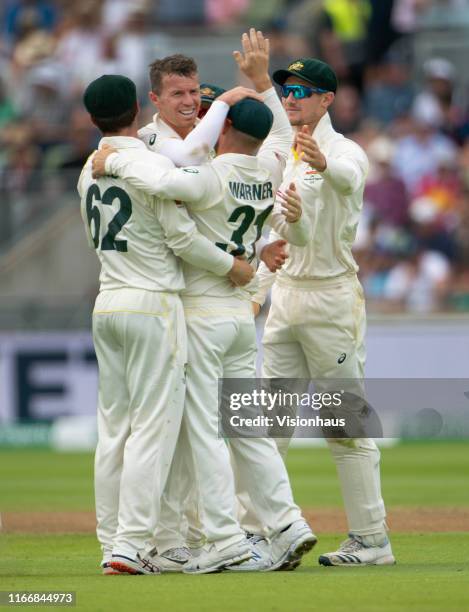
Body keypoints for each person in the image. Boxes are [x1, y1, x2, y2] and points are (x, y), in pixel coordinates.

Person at [92, 29, 317, 574]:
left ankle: (220, 538)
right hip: (227, 314)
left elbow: (180, 220)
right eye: (183, 96)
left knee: (202, 434)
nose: (195, 105)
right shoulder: (263, 167)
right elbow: (278, 136)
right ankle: (284, 523)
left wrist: (112, 160)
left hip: (198, 310)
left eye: (202, 98)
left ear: (227, 129)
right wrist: (259, 88)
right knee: (239, 426)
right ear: (155, 100)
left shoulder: (197, 171)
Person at [78, 74, 254, 576]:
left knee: (114, 430)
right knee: (154, 429)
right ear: (139, 107)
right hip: (154, 302)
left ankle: (110, 539)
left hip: (108, 298)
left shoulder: (90, 168)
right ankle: (131, 546)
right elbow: (181, 235)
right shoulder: (149, 163)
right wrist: (233, 267)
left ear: (93, 118)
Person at [251, 57, 396, 566]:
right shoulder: (287, 151)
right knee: (270, 422)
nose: (291, 98)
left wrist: (323, 163)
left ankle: (372, 540)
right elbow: (280, 234)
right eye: (286, 89)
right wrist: (259, 286)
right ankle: (265, 534)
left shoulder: (342, 150)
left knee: (343, 423)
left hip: (332, 297)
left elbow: (350, 179)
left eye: (304, 91)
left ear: (328, 99)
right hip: (286, 295)